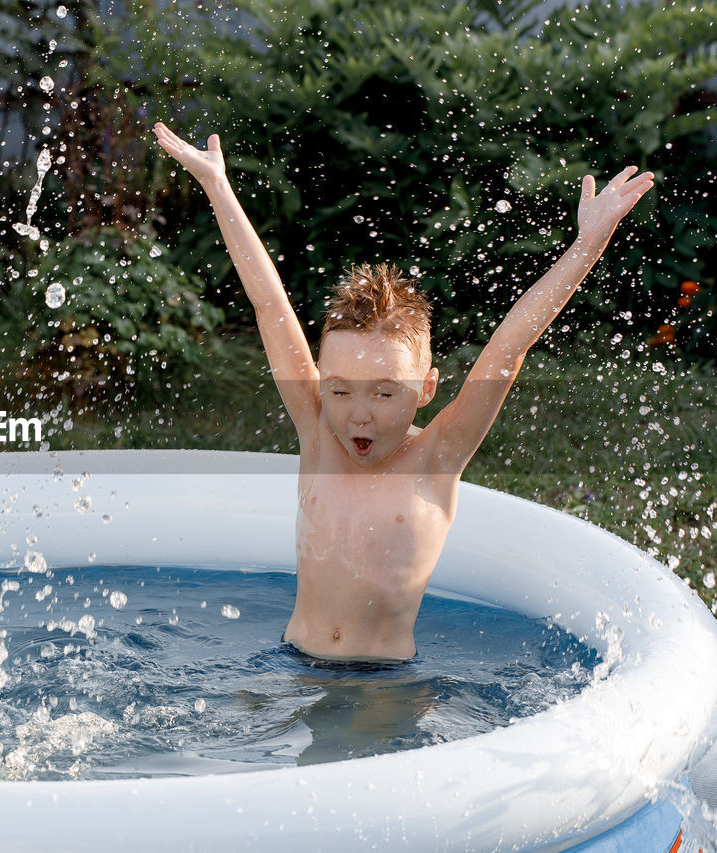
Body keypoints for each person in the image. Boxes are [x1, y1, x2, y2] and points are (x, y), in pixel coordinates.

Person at [152, 121, 655, 663]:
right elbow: (270, 306)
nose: (359, 417)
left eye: (386, 395)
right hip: (291, 664)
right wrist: (219, 188)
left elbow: (507, 353)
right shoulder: (318, 433)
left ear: (427, 389)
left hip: (385, 684)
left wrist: (588, 244)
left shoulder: (437, 458)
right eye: (340, 392)